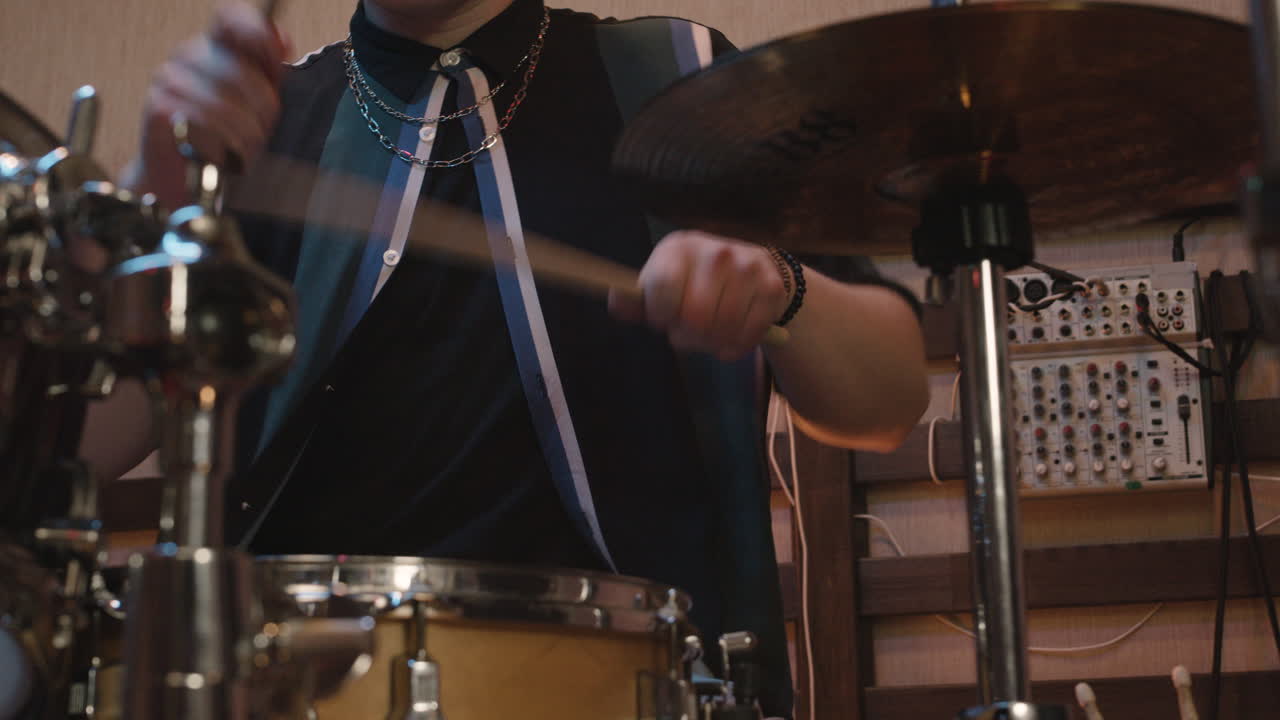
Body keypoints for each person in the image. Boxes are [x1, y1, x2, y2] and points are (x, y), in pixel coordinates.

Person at [87, 0, 929, 715]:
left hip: (634, 680)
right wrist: (149, 196)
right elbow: (83, 438)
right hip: (292, 679)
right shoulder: (266, 125)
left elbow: (888, 400)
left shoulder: (680, 79)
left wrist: (781, 290)